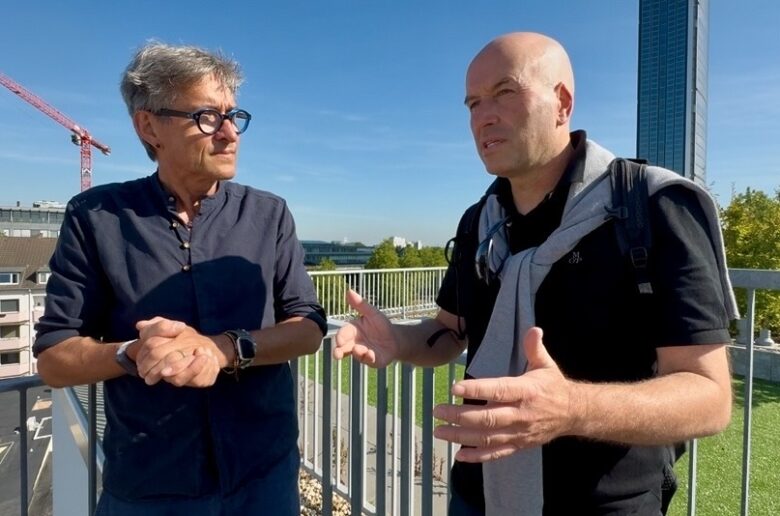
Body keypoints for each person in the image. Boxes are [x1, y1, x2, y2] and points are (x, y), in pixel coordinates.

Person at [333, 32, 737, 515]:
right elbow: (449, 331)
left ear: (562, 103)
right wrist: (398, 340)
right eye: (473, 103)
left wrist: (570, 409)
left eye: (505, 92)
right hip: (477, 494)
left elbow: (710, 397)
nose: (483, 117)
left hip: (606, 506)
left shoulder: (652, 206)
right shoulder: (480, 221)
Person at [34, 42, 327, 515]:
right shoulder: (96, 217)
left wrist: (225, 348)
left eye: (234, 116)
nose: (230, 134)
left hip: (263, 475)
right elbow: (54, 357)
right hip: (150, 484)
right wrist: (131, 353)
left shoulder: (268, 214)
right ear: (149, 126)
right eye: (207, 117)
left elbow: (309, 327)